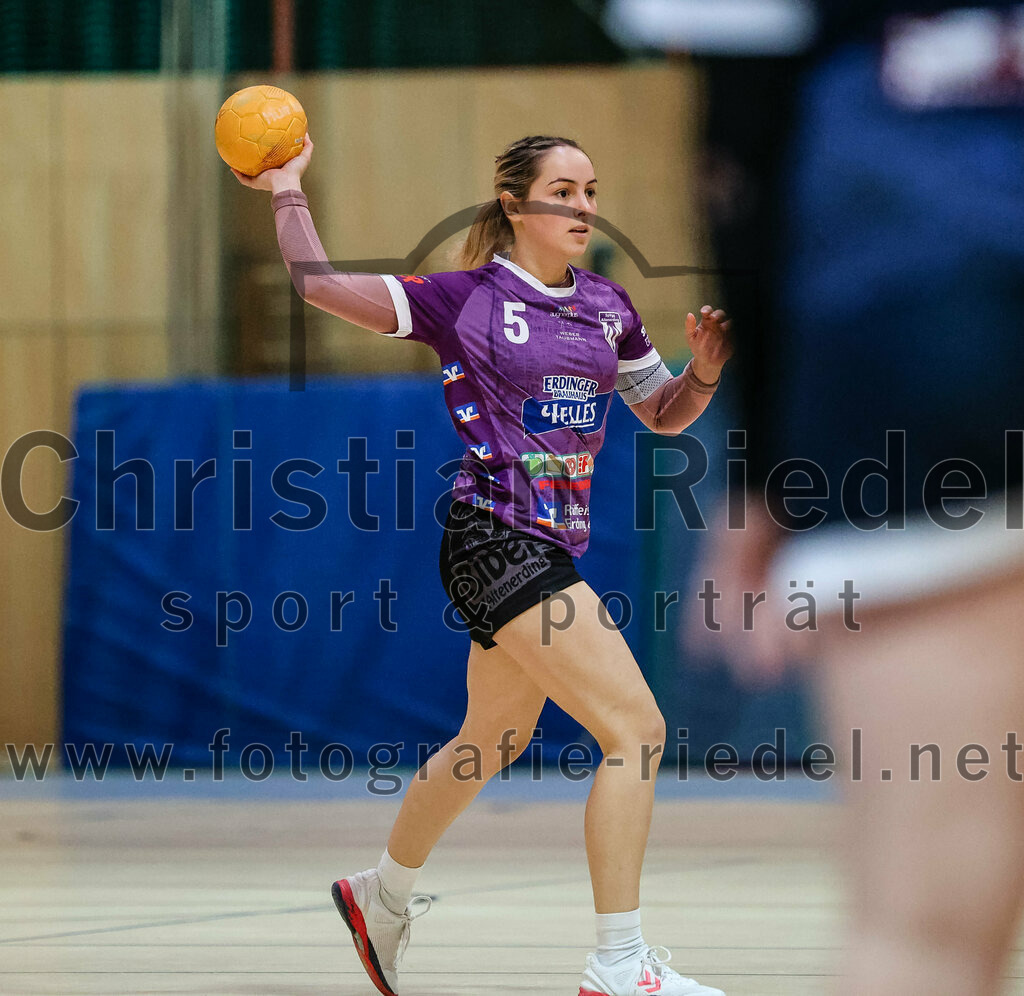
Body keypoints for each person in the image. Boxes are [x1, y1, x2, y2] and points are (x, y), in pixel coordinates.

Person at [231, 132, 732, 996]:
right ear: (515, 204)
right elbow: (321, 286)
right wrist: (285, 187)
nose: (583, 207)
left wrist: (706, 376)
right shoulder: (465, 301)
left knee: (490, 740)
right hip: (497, 536)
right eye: (564, 192)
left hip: (541, 546)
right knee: (636, 730)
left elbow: (663, 413)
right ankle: (619, 965)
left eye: (590, 191)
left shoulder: (609, 307)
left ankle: (379, 895)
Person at [679, 3, 1024, 993]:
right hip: (939, 306)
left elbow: (741, 144)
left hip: (934, 295)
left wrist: (760, 471)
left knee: (921, 941)